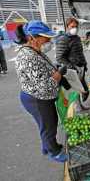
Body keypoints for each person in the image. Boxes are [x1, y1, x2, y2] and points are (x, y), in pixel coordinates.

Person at [14, 21, 67, 162]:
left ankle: (47, 146)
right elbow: (44, 85)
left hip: (40, 97)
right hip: (37, 98)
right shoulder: (28, 56)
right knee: (49, 125)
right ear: (32, 38)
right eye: (46, 38)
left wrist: (55, 68)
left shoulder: (35, 51)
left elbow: (44, 69)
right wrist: (57, 75)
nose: (49, 41)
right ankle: (54, 152)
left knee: (45, 124)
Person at [55, 17, 90, 109]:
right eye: (72, 26)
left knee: (83, 88)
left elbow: (80, 53)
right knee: (75, 89)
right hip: (73, 69)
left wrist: (84, 64)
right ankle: (76, 109)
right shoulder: (63, 39)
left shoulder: (77, 38)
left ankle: (80, 106)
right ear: (67, 27)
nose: (74, 28)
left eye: (76, 26)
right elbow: (60, 57)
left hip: (81, 67)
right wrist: (71, 67)